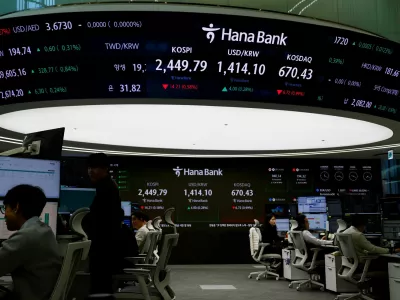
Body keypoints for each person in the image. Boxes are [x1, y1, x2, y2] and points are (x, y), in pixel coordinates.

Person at [0, 184, 61, 300]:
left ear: (16, 207)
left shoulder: (26, 237)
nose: (5, 215)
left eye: (5, 208)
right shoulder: (44, 230)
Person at [84, 153, 121, 294]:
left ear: (105, 169)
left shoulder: (106, 189)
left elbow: (101, 219)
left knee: (100, 286)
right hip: (106, 246)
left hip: (103, 247)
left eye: (94, 167)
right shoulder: (107, 186)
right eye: (89, 167)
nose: (90, 171)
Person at [343, 214, 400, 299]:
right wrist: (391, 250)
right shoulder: (358, 235)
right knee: (388, 266)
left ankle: (374, 291)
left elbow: (357, 248)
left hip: (352, 264)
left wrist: (365, 251)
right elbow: (372, 249)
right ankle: (382, 295)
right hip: (362, 264)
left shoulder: (346, 232)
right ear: (362, 225)